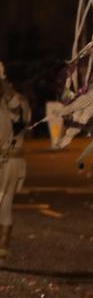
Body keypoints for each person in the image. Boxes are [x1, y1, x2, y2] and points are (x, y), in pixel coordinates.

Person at [0, 63, 31, 262]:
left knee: (4, 204)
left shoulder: (15, 102)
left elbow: (16, 110)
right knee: (4, 205)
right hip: (8, 160)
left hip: (8, 160)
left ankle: (3, 248)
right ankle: (2, 248)